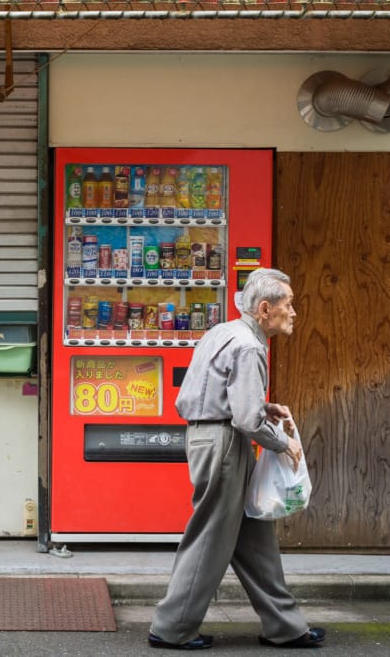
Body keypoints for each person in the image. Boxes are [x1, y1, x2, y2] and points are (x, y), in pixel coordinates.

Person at [148, 268, 326, 650]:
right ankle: (172, 627)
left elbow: (224, 394)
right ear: (265, 309)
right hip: (224, 442)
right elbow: (245, 419)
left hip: (210, 437)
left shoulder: (224, 331)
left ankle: (285, 626)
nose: (294, 312)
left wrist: (264, 407)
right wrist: (282, 443)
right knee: (211, 534)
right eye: (288, 304)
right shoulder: (249, 346)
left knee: (253, 535)